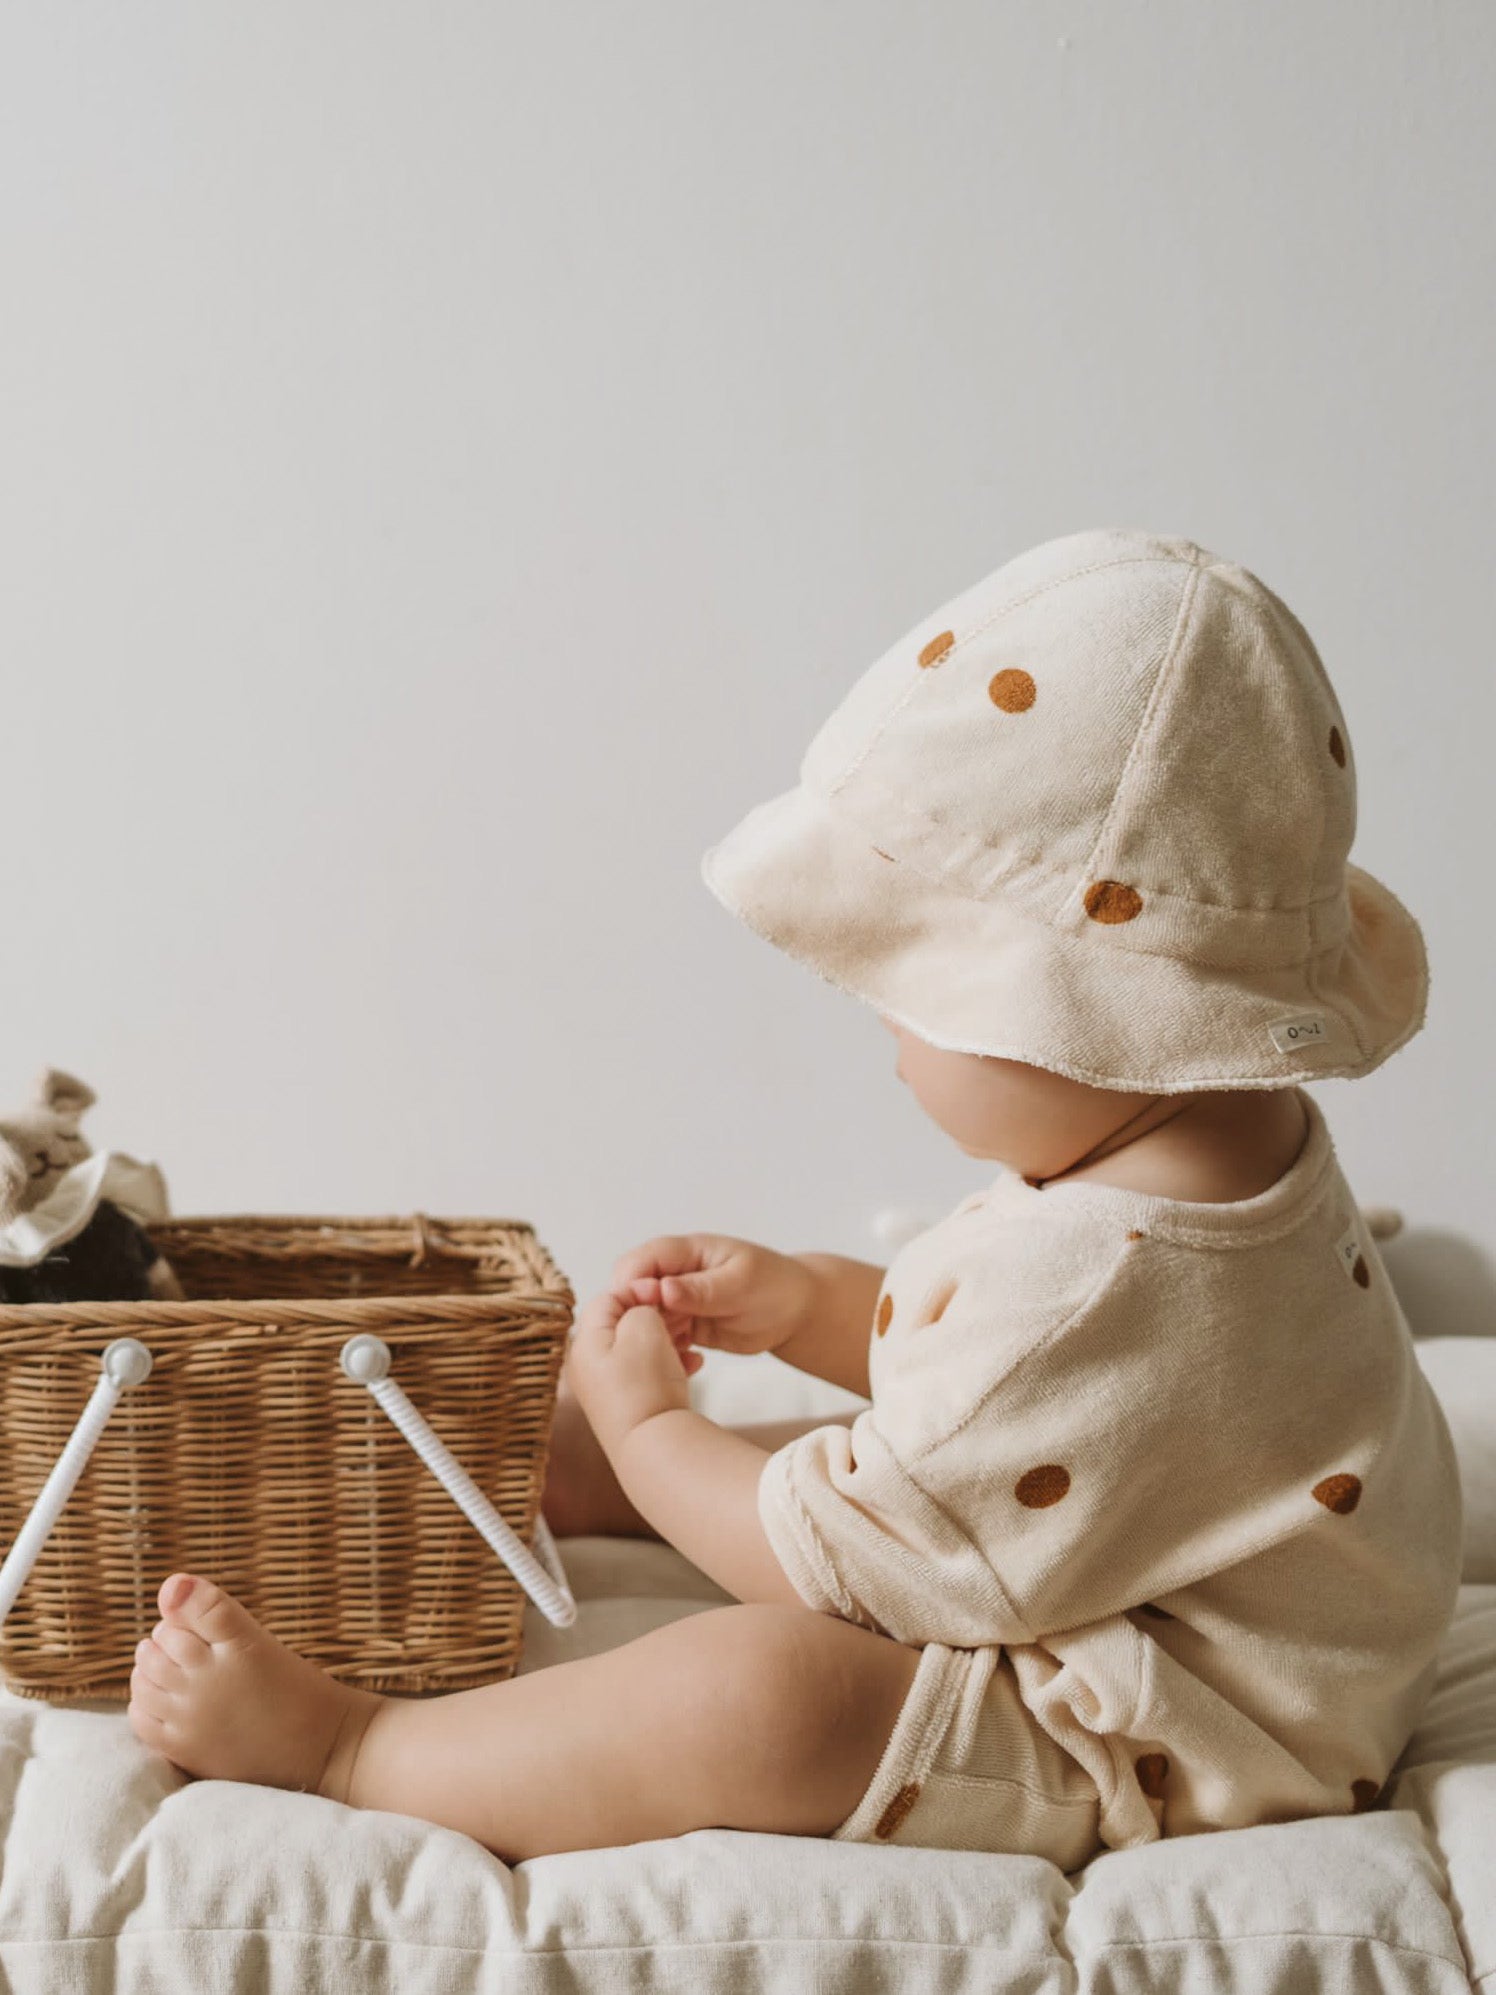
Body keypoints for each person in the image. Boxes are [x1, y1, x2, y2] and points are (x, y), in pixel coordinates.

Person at [126, 528, 1461, 1868]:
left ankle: (354, 1750)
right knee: (832, 1487)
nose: (887, 1041)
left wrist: (657, 1440)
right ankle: (598, 1484)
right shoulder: (1217, 1135)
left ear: (1085, 1018)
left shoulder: (1114, 1259)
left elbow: (861, 1562)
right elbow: (1046, 1388)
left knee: (768, 1698)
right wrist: (814, 1299)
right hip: (1205, 1600)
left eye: (911, 996)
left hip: (1188, 1731)